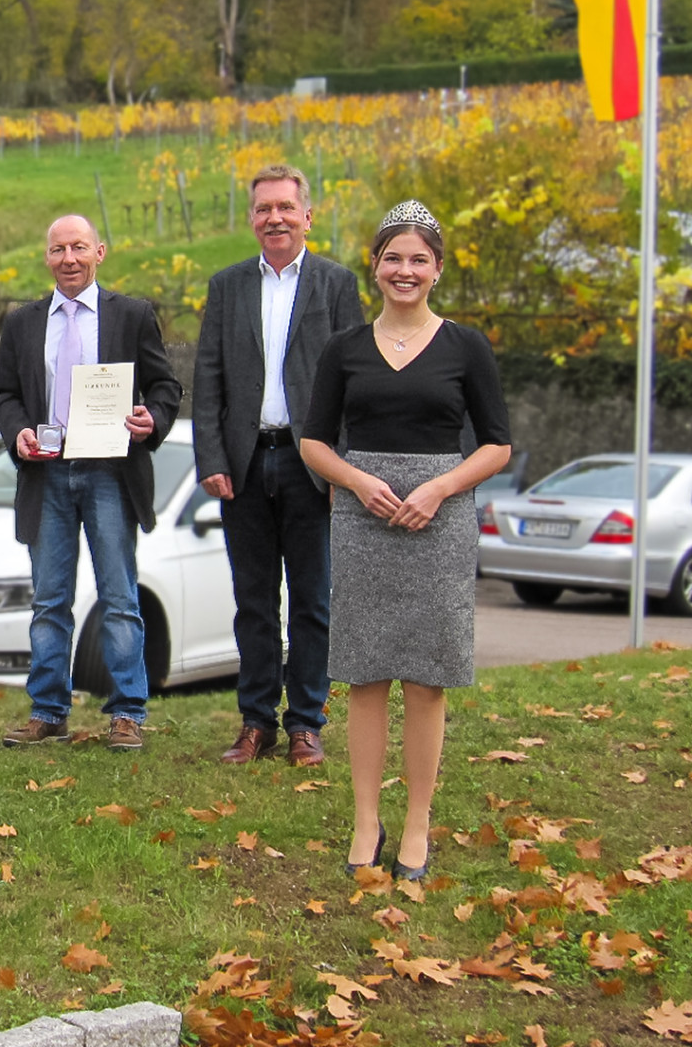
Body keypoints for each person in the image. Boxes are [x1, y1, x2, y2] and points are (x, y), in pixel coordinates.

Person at [298, 200, 511, 882]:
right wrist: (359, 482)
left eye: (419, 259)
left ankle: (417, 823)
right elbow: (312, 441)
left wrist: (441, 488)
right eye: (394, 257)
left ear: (438, 269)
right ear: (375, 266)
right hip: (364, 519)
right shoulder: (346, 349)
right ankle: (367, 819)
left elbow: (498, 445)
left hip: (438, 521)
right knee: (364, 676)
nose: (405, 270)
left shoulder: (465, 347)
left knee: (426, 678)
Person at [192, 164, 364, 768]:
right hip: (243, 465)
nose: (275, 218)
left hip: (311, 465)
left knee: (313, 600)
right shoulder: (227, 286)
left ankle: (306, 725)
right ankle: (256, 722)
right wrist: (211, 456)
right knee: (253, 600)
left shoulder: (337, 285)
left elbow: (352, 382)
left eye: (286, 208)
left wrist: (344, 469)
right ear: (252, 219)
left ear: (307, 216)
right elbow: (207, 378)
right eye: (264, 209)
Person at [0, 215, 182, 750]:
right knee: (49, 600)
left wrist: (153, 419)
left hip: (110, 473)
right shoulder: (22, 323)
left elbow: (166, 386)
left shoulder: (134, 315)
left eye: (78, 247)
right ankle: (49, 711)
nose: (68, 258)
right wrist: (17, 431)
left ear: (100, 251)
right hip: (46, 472)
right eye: (58, 249)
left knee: (119, 596)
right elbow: (4, 394)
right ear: (47, 257)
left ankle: (126, 712)